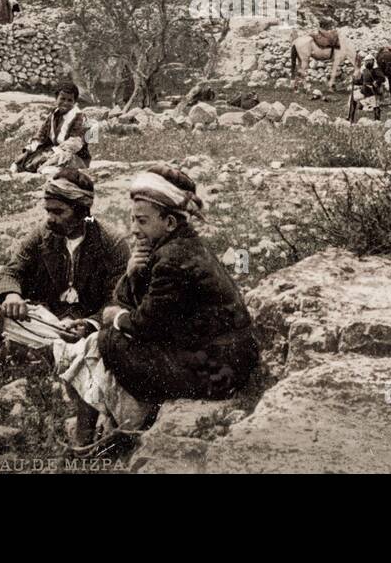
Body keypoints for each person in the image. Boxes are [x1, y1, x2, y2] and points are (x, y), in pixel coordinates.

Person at [52, 164, 258, 447]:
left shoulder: (172, 259)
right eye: (133, 220)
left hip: (216, 372)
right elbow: (141, 306)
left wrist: (115, 318)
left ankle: (93, 436)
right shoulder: (178, 246)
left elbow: (145, 324)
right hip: (222, 362)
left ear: (170, 223)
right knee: (105, 340)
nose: (134, 230)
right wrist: (132, 273)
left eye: (143, 221)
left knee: (103, 341)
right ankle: (96, 431)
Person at [0, 169, 129, 366]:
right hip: (48, 319)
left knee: (112, 337)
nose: (51, 218)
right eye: (48, 211)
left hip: (86, 326)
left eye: (58, 212)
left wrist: (88, 325)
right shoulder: (42, 235)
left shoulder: (111, 243)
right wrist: (11, 295)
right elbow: (12, 271)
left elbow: (117, 299)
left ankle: (47, 353)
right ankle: (56, 354)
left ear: (81, 211)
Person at [11, 81, 90, 174]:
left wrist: (52, 153)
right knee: (26, 160)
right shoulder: (53, 114)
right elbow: (41, 135)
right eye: (62, 99)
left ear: (75, 102)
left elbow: (75, 143)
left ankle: (56, 170)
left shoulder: (79, 117)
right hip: (54, 149)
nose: (65, 103)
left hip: (73, 155)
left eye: (70, 100)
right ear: (56, 98)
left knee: (48, 165)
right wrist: (29, 150)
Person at [350, 55, 385, 121]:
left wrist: (377, 82)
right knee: (353, 99)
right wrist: (354, 81)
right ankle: (351, 118)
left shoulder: (376, 70)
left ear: (373, 61)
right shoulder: (364, 70)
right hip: (364, 91)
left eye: (369, 61)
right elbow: (362, 81)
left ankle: (377, 122)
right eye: (366, 61)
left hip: (373, 92)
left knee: (376, 106)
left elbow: (382, 78)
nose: (367, 62)